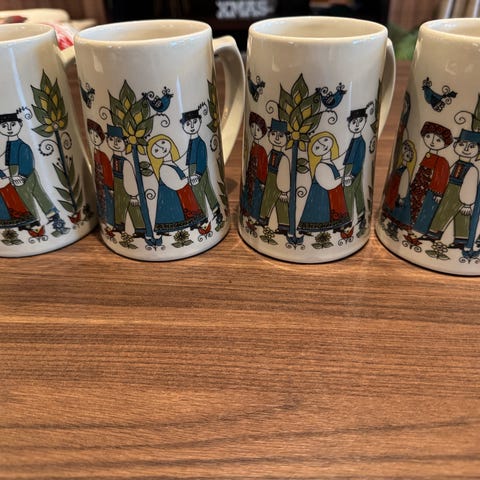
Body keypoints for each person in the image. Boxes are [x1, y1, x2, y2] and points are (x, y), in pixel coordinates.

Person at [0, 112, 61, 231]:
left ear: (20, 124)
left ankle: (35, 219)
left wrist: (22, 176)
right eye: (4, 126)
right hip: (16, 174)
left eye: (13, 124)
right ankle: (49, 215)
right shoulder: (9, 144)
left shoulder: (22, 145)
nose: (9, 129)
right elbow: (5, 161)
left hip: (25, 174)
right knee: (35, 193)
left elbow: (26, 160)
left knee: (28, 196)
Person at [423, 129, 480, 248]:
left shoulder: (472, 169)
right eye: (462, 144)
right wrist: (440, 193)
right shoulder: (456, 163)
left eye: (471, 146)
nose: (466, 149)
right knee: (443, 212)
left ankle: (459, 241)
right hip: (450, 190)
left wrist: (467, 204)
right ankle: (433, 235)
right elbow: (446, 177)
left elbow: (470, 186)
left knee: (460, 217)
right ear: (455, 145)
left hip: (462, 193)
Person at [146, 134, 206, 234]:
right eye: (156, 150)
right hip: (173, 197)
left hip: (181, 191)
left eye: (162, 142)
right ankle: (172, 230)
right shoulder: (164, 168)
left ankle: (193, 225)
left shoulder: (172, 162)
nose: (161, 148)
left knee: (189, 210)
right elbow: (176, 184)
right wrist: (189, 179)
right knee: (176, 215)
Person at [298, 131, 350, 233]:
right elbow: (328, 184)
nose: (323, 145)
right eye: (317, 147)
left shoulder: (329, 162)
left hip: (332, 194)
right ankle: (315, 230)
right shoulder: (320, 166)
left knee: (336, 212)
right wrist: (342, 179)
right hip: (323, 197)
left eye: (325, 140)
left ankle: (336, 227)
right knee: (322, 216)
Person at [410, 121, 452, 236]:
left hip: (430, 191)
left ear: (445, 144)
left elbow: (442, 178)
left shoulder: (441, 161)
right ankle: (410, 226)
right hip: (419, 187)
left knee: (425, 210)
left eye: (438, 140)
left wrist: (438, 193)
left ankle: (419, 231)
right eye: (428, 137)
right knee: (414, 205)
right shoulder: (427, 155)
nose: (432, 142)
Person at [181, 108, 222, 224]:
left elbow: (202, 159)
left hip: (198, 170)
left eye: (195, 122)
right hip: (193, 169)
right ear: (183, 126)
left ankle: (202, 217)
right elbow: (188, 157)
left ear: (200, 121)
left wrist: (198, 174)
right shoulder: (191, 142)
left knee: (198, 192)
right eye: (188, 124)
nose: (192, 126)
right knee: (207, 189)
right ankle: (216, 211)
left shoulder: (200, 142)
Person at [106, 124, 146, 237]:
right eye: (111, 139)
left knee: (133, 207)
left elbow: (130, 178)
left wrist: (133, 195)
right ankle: (119, 226)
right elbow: (110, 174)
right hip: (117, 186)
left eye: (118, 141)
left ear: (125, 142)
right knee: (118, 205)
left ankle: (140, 229)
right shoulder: (113, 159)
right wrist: (111, 188)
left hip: (127, 186)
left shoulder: (126, 162)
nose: (115, 143)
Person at [258, 119, 290, 234]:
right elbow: (265, 167)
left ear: (287, 138)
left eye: (280, 136)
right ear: (269, 135)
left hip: (280, 182)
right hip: (269, 180)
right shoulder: (270, 153)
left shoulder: (284, 158)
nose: (276, 138)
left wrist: (284, 191)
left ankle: (284, 227)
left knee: (282, 204)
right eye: (273, 134)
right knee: (266, 200)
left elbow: (285, 174)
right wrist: (263, 181)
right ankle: (262, 221)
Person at [382, 139, 417, 232]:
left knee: (396, 211)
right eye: (404, 149)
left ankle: (393, 227)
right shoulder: (399, 166)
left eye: (408, 155)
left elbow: (404, 185)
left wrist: (401, 197)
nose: (405, 153)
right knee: (390, 207)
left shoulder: (405, 171)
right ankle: (386, 223)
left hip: (398, 194)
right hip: (393, 191)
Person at [343, 108, 368, 230]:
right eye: (354, 122)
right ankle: (361, 214)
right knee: (358, 191)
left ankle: (348, 219)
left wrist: (352, 174)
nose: (357, 125)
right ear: (349, 124)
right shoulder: (353, 139)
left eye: (360, 121)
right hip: (350, 167)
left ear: (365, 121)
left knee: (348, 191)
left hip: (353, 169)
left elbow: (359, 160)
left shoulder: (361, 142)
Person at [240, 112, 268, 220]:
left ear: (262, 132)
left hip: (257, 179)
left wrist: (262, 182)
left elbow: (264, 167)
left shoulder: (262, 150)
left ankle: (254, 217)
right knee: (248, 194)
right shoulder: (251, 145)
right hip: (249, 176)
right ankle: (247, 214)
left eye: (258, 130)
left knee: (256, 197)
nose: (255, 132)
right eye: (252, 127)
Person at [87, 119, 113, 227]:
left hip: (104, 185)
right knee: (103, 205)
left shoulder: (103, 155)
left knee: (107, 205)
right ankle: (106, 224)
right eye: (91, 134)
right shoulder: (94, 152)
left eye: (96, 136)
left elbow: (108, 171)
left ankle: (109, 224)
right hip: (99, 185)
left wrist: (110, 187)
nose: (93, 137)